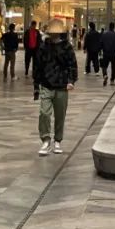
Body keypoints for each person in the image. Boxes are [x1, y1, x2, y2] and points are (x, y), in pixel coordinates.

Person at [34, 18, 77, 155]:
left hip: (62, 85)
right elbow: (38, 66)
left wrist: (71, 81)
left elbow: (72, 65)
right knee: (44, 113)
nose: (54, 34)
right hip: (46, 84)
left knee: (60, 115)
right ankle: (46, 139)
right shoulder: (43, 46)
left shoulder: (67, 47)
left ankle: (57, 140)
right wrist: (36, 85)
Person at [100, 21, 115, 86]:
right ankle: (112, 80)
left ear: (109, 26)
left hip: (106, 53)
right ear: (114, 27)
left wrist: (100, 51)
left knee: (104, 66)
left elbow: (101, 43)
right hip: (113, 53)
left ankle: (105, 75)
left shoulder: (104, 34)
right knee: (113, 67)